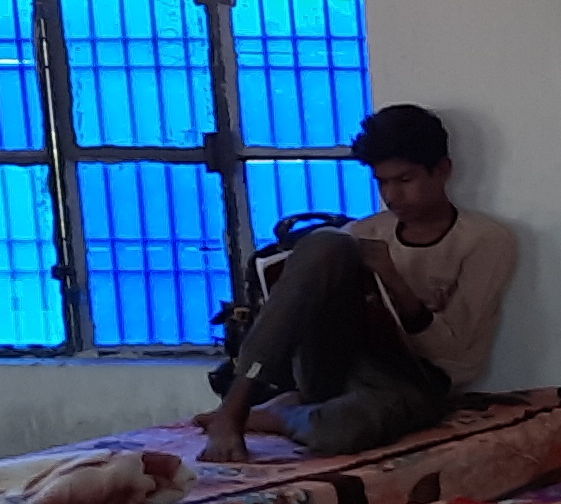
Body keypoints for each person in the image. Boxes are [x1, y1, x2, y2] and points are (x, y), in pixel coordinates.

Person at [202, 105, 518, 464]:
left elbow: (452, 350)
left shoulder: (485, 240)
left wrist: (392, 278)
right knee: (326, 243)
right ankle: (235, 408)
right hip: (338, 368)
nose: (392, 196)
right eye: (382, 182)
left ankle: (283, 415)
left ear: (442, 171)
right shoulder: (365, 231)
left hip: (414, 380)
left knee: (341, 430)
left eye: (405, 180)